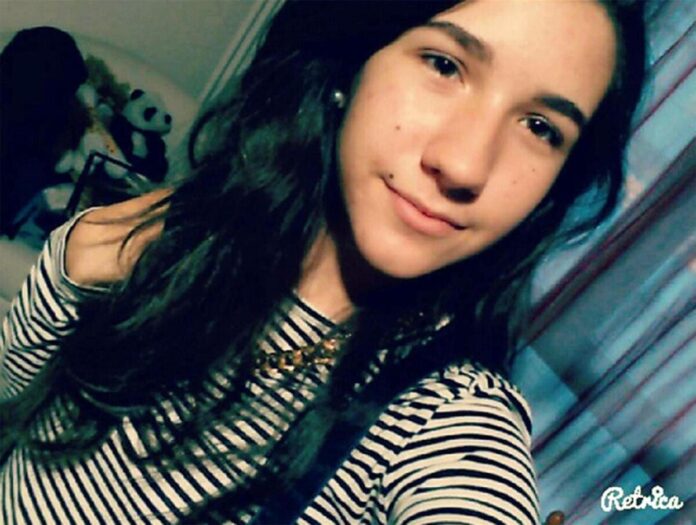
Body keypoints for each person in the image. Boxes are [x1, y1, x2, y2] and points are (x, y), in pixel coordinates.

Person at [0, 1, 646, 523]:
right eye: (444, 65)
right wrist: (70, 264)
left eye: (540, 127)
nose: (466, 163)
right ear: (354, 62)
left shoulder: (445, 414)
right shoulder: (172, 236)